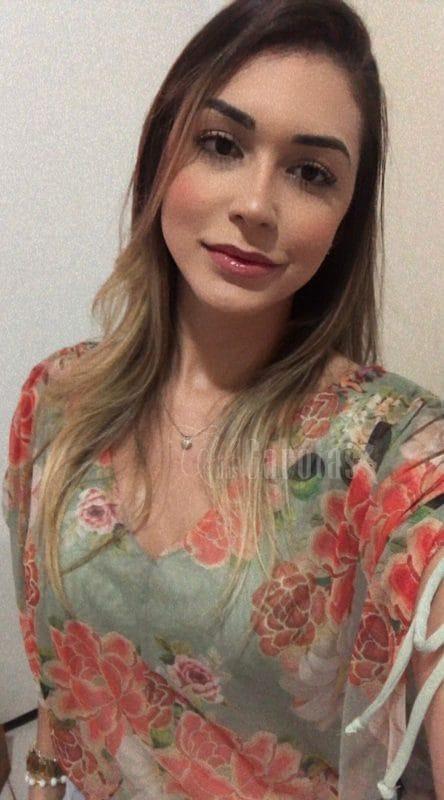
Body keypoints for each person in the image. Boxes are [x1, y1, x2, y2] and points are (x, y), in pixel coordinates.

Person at [3, 0, 443, 798]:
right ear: (160, 155)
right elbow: (57, 681)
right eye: (221, 144)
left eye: (311, 172)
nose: (257, 205)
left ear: (344, 217)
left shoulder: (393, 455)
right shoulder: (56, 403)